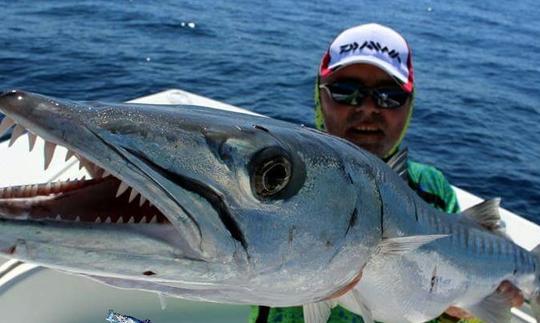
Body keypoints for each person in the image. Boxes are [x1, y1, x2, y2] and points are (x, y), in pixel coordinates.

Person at [249, 23, 523, 323]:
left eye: (389, 96)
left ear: (410, 104)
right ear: (320, 96)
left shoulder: (432, 188)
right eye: (345, 92)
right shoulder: (277, 181)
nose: (368, 108)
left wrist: (462, 311)